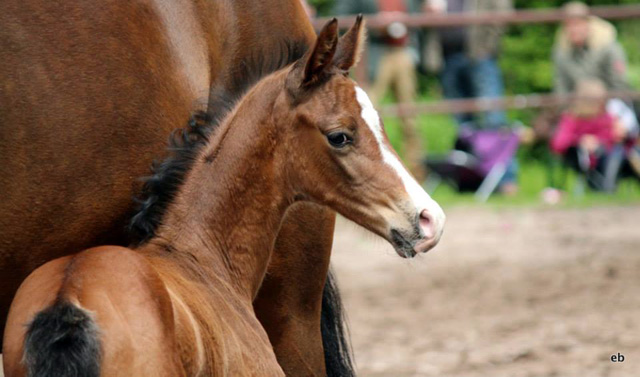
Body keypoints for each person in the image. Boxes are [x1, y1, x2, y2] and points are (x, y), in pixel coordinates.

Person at [424, 0, 516, 194]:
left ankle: (507, 180)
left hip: (479, 55)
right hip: (448, 56)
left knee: (494, 118)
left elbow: (502, 10)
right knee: (463, 127)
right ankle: (470, 183)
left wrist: (486, 47)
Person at [334, 0, 426, 181]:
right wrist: (375, 23)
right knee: (363, 117)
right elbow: (340, 17)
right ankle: (361, 173)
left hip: (402, 53)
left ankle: (416, 175)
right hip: (375, 56)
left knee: (410, 118)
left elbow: (418, 16)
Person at [550, 79, 634, 191]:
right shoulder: (571, 119)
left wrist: (600, 140)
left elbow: (615, 138)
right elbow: (558, 144)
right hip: (581, 160)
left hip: (606, 159)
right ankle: (605, 186)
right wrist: (580, 141)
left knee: (619, 152)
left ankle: (607, 185)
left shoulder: (606, 118)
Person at [553, 1, 629, 95]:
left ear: (588, 23)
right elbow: (561, 86)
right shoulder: (562, 51)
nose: (573, 29)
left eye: (577, 24)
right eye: (568, 25)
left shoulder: (608, 47)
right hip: (576, 105)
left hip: (609, 103)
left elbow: (619, 84)